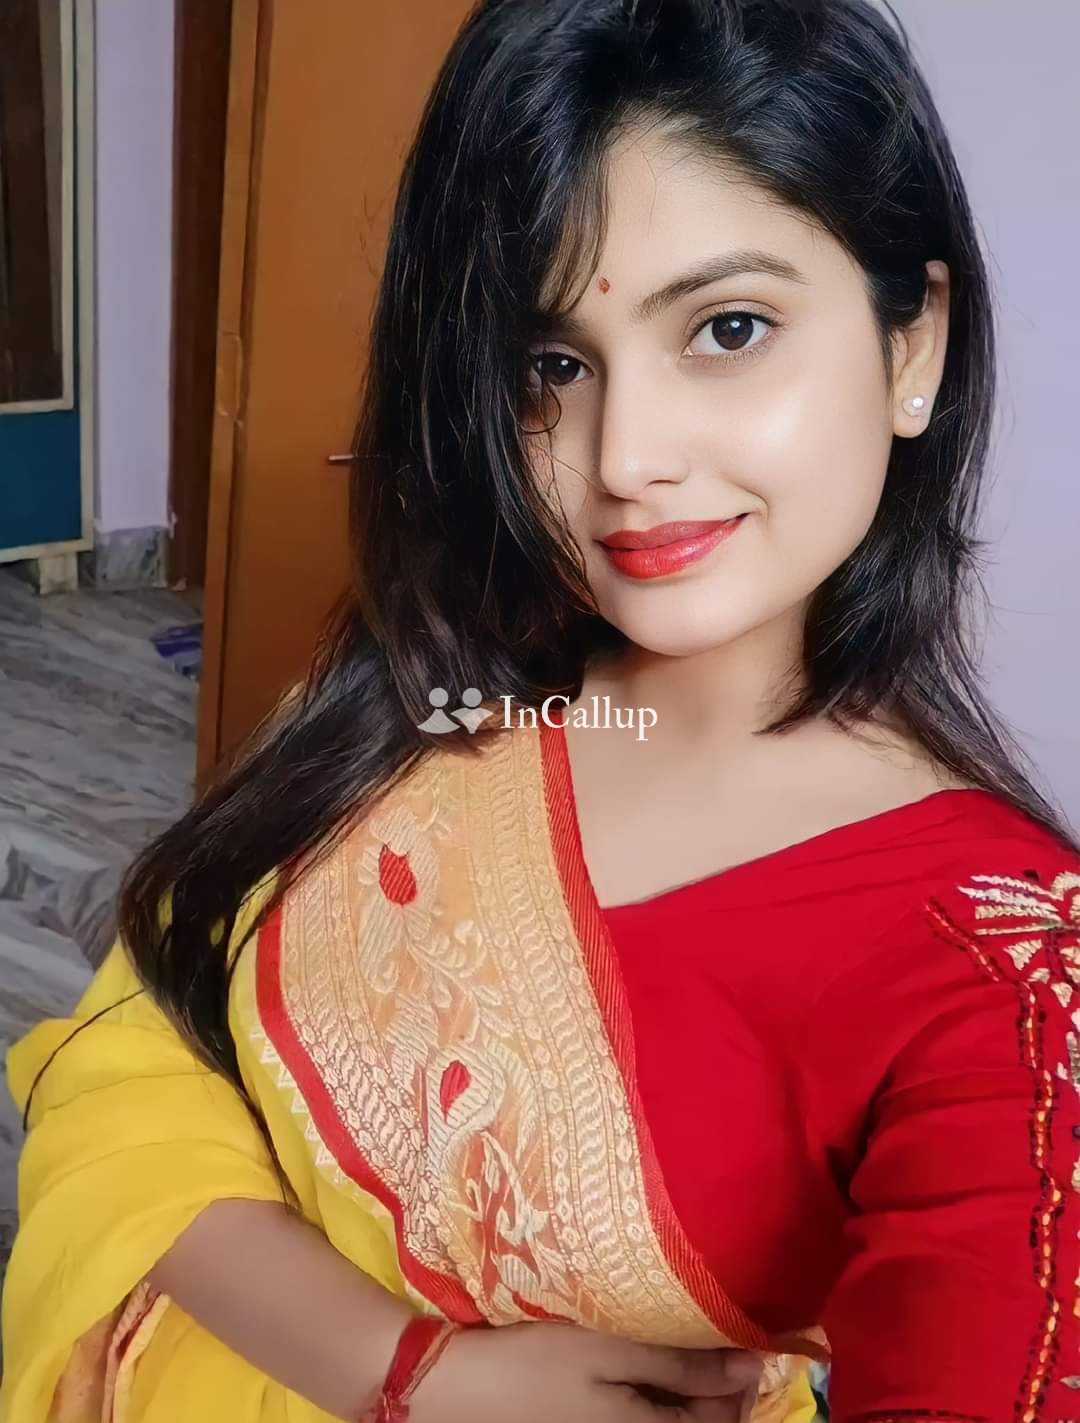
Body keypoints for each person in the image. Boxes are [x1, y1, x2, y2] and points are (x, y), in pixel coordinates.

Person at [3, 0, 1078, 1419]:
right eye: (551, 365)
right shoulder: (446, 677)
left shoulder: (1005, 974)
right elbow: (140, 1047)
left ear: (914, 347)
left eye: (729, 328)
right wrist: (407, 1370)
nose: (622, 457)